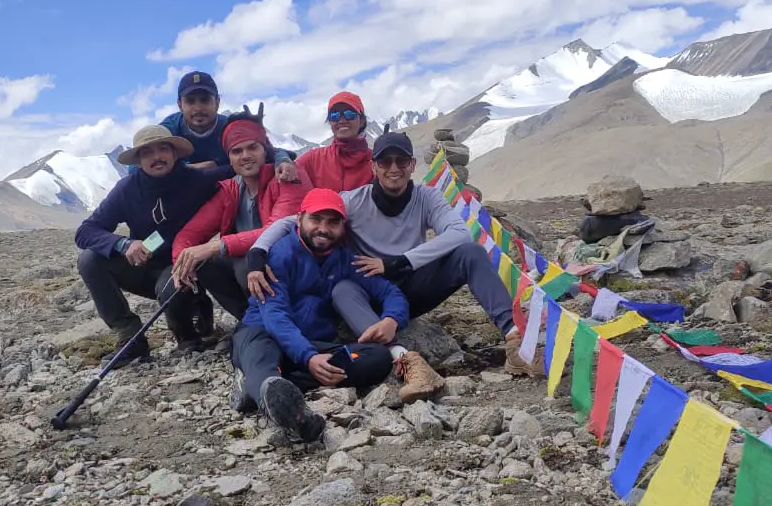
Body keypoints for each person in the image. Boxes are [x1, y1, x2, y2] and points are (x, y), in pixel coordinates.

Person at [245, 129, 535, 386]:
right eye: (384, 161)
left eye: (401, 161)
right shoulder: (353, 200)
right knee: (341, 289)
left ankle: (513, 339)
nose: (393, 168)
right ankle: (403, 359)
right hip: (367, 287)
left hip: (411, 282)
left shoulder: (428, 197)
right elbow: (293, 221)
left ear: (412, 165)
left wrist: (400, 262)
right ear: (373, 166)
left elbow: (460, 233)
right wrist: (257, 254)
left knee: (470, 252)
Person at [230, 188, 406, 443]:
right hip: (263, 334)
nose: (323, 228)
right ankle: (295, 416)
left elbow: (391, 293)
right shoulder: (279, 255)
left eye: (333, 222)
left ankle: (258, 385)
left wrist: (392, 319)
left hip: (311, 346)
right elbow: (275, 316)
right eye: (316, 219)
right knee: (263, 358)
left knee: (375, 356)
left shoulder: (346, 260)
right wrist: (309, 357)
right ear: (299, 219)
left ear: (343, 227)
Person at [73, 124, 230, 369]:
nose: (156, 157)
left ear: (175, 153)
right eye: (147, 152)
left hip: (184, 268)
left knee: (173, 294)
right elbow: (85, 232)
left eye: (163, 149)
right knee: (89, 260)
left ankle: (190, 328)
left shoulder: (198, 180)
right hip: (143, 268)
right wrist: (123, 243)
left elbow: (246, 164)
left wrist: (283, 159)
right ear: (138, 160)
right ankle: (130, 337)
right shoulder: (127, 189)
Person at [170, 103, 313, 320]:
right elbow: (190, 233)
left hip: (295, 265)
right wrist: (182, 261)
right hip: (255, 269)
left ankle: (284, 317)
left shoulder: (288, 175)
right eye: (236, 151)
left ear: (265, 149)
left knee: (243, 262)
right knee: (207, 264)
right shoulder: (231, 189)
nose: (245, 156)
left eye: (252, 147)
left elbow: (276, 229)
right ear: (229, 157)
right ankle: (250, 318)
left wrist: (214, 246)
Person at [126, 70, 300, 180]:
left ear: (217, 102)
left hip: (224, 193)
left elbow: (268, 151)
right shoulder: (168, 131)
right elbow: (135, 169)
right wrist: (186, 169)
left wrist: (282, 160)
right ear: (180, 104)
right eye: (191, 101)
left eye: (205, 100)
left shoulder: (230, 128)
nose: (198, 108)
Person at [294, 91, 375, 193]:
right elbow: (285, 176)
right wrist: (281, 157)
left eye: (349, 114)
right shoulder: (313, 159)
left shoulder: (377, 161)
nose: (341, 120)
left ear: (362, 120)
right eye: (334, 115)